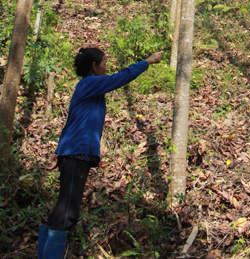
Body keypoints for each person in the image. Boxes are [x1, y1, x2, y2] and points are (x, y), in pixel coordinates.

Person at [38, 47, 163, 259]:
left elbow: (72, 121)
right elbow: (120, 78)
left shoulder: (89, 88)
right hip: (77, 152)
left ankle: (45, 254)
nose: (107, 66)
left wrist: (58, 151)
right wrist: (146, 62)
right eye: (104, 62)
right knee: (68, 211)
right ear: (94, 67)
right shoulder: (90, 83)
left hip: (74, 152)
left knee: (63, 208)